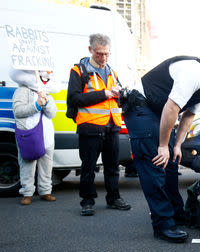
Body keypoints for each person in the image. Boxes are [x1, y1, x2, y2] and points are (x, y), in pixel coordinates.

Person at [121, 51, 200, 243]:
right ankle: (163, 224)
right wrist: (163, 145)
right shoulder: (194, 73)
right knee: (155, 163)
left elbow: (188, 116)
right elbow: (172, 108)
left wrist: (177, 145)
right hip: (141, 107)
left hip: (158, 111)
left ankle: (177, 214)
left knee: (171, 161)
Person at [67, 33, 131, 216]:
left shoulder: (112, 71)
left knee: (112, 167)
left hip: (112, 127)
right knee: (88, 168)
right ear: (90, 50)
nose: (103, 58)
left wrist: (122, 95)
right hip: (90, 127)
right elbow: (74, 98)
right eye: (99, 54)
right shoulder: (79, 71)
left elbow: (116, 99)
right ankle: (87, 201)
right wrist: (104, 94)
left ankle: (114, 198)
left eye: (106, 54)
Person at [11, 69, 58, 205]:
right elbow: (18, 111)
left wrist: (46, 102)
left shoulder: (47, 92)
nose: (46, 79)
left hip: (46, 134)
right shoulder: (22, 91)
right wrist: (36, 105)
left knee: (47, 164)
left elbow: (52, 114)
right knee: (27, 163)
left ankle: (45, 191)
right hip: (29, 132)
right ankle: (27, 193)